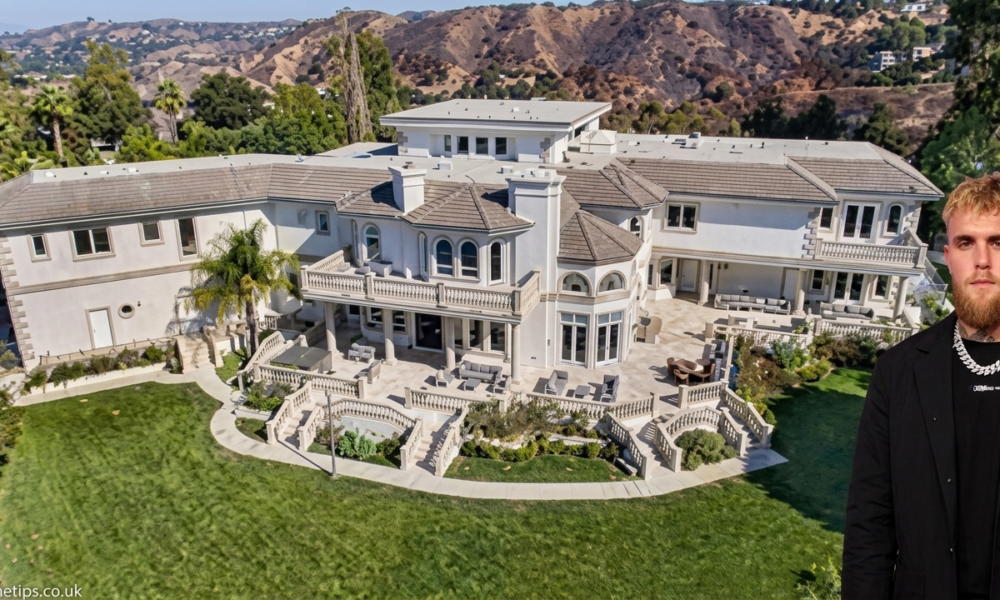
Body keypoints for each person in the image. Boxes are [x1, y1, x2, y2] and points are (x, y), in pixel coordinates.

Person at [844, 173, 1000, 600]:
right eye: (967, 243)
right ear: (948, 256)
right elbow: (869, 528)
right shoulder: (898, 372)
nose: (982, 260)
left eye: (998, 242)